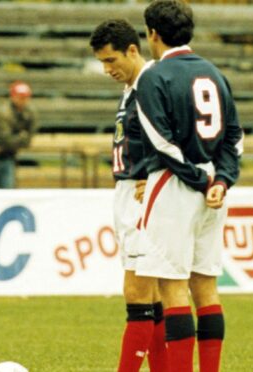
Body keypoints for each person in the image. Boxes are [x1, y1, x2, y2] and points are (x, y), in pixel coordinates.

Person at [136, 1, 244, 371]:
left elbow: (161, 141)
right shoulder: (215, 73)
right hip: (215, 189)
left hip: (175, 186)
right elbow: (234, 138)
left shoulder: (154, 76)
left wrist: (200, 181)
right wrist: (222, 180)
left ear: (153, 33)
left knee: (172, 286)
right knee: (207, 287)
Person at [90, 19, 167, 372]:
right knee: (150, 295)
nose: (107, 69)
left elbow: (177, 131)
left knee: (137, 292)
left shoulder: (151, 83)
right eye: (103, 62)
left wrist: (155, 171)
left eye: (111, 61)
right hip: (127, 192)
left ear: (132, 51)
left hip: (142, 195)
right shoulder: (132, 87)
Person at [0, 80, 38, 188]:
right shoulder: (2, 113)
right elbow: (5, 139)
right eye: (20, 97)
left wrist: (19, 139)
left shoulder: (30, 113)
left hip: (7, 155)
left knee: (7, 189)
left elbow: (29, 138)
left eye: (25, 97)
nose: (23, 100)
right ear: (13, 97)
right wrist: (21, 137)